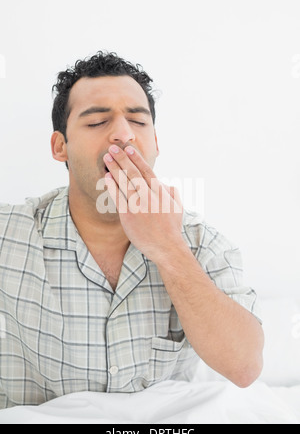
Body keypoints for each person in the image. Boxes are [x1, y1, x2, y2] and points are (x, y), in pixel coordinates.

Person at [0, 51, 264, 409]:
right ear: (60, 147)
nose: (123, 135)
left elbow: (244, 366)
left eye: (138, 122)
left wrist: (169, 248)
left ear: (155, 142)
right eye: (97, 123)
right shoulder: (7, 235)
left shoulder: (203, 244)